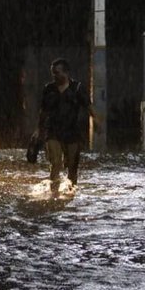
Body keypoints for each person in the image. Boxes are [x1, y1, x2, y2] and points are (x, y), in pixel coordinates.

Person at [36, 58, 91, 193]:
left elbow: (89, 107)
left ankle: (70, 196)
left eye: (57, 72)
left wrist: (97, 121)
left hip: (72, 131)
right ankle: (53, 194)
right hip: (53, 131)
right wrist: (39, 129)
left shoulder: (77, 88)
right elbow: (43, 111)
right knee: (56, 163)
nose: (55, 76)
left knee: (72, 167)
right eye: (53, 73)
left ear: (66, 73)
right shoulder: (49, 89)